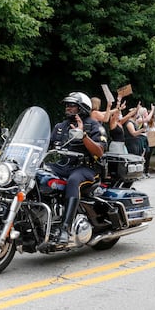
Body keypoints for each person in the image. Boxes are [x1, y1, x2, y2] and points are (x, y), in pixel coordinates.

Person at [49, 92, 107, 244]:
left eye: (72, 105)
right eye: (67, 105)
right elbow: (45, 145)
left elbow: (99, 151)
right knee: (39, 175)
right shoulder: (60, 127)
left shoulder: (94, 126)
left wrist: (83, 135)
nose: (68, 107)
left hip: (87, 168)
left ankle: (65, 228)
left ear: (82, 108)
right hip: (64, 165)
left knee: (74, 180)